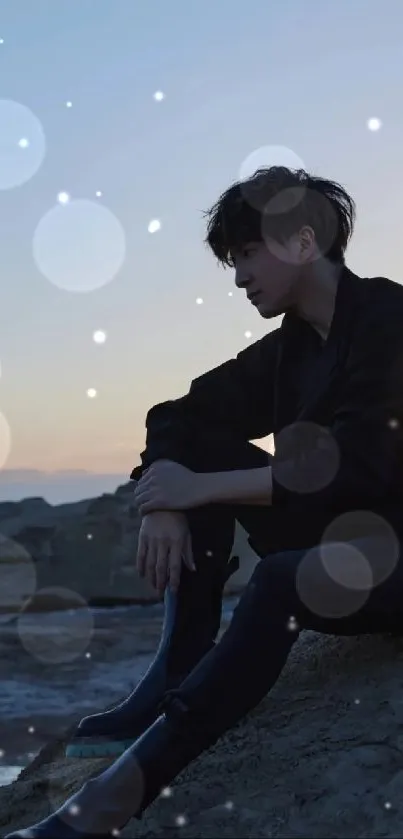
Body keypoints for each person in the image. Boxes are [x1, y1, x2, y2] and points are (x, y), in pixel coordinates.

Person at [8, 165, 403, 838]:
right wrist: (166, 495)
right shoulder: (290, 349)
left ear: (304, 242)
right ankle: (174, 673)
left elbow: (360, 464)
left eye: (248, 253)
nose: (239, 276)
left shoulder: (387, 319)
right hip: (338, 547)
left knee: (277, 578)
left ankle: (108, 803)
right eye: (233, 260)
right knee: (195, 446)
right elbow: (177, 411)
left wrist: (202, 488)